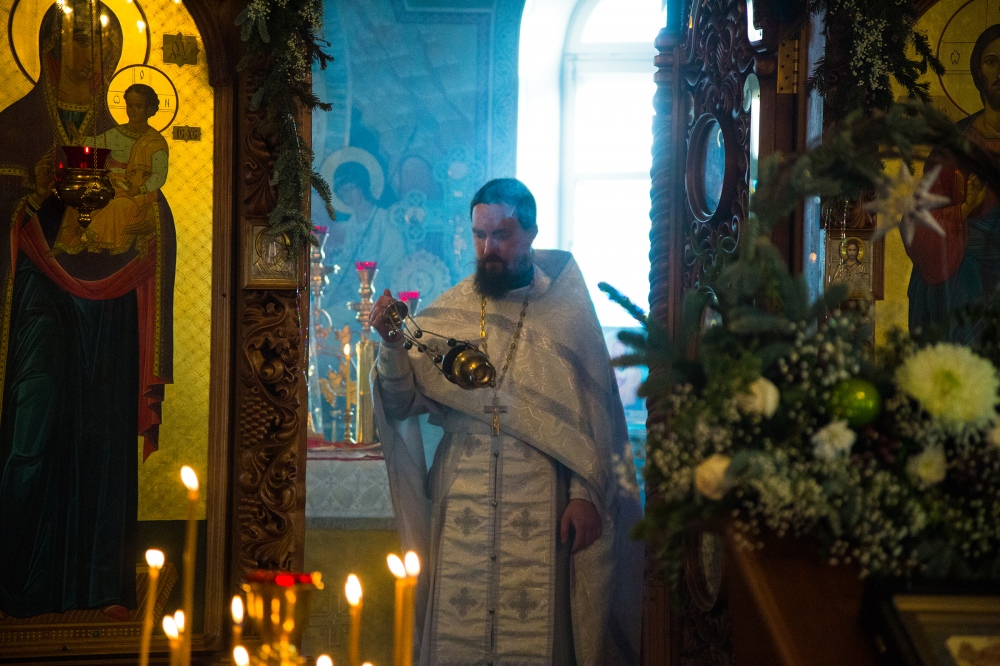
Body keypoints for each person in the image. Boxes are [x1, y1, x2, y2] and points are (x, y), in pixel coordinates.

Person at [369, 178, 642, 665]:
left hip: (538, 500)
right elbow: (399, 403)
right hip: (462, 498)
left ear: (531, 232)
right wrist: (391, 345)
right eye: (479, 235)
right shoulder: (450, 310)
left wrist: (584, 495)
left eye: (502, 235)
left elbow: (593, 417)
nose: (488, 248)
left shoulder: (566, 315)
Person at [0, 2, 175, 620]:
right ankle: (15, 585)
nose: (91, 53)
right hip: (36, 297)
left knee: (101, 439)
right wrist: (30, 194)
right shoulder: (13, 128)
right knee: (32, 424)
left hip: (111, 308)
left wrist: (143, 219)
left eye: (101, 42)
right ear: (49, 47)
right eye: (78, 38)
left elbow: (158, 212)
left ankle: (100, 589)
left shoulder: (127, 138)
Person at [906, 24, 1000, 340]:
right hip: (967, 274)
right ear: (978, 73)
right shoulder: (953, 145)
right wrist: (964, 209)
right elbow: (919, 219)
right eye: (992, 61)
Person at [52, 83, 168, 256]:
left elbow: (160, 175)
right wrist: (79, 137)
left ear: (149, 109)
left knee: (116, 205)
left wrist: (140, 188)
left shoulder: (155, 142)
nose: (132, 111)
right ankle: (64, 246)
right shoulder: (118, 132)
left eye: (138, 106)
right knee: (82, 199)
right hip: (112, 184)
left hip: (137, 193)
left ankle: (95, 243)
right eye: (129, 105)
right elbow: (96, 142)